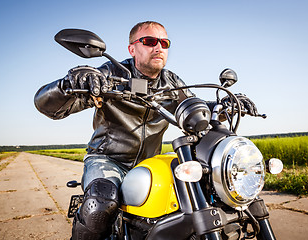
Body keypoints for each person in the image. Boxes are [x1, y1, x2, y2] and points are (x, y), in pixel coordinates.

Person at [34, 21, 193, 239]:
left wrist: (221, 107)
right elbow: (49, 107)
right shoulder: (110, 74)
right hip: (108, 159)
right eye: (149, 41)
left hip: (149, 164)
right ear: (132, 48)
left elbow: (194, 109)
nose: (158, 48)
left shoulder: (172, 83)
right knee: (100, 203)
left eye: (164, 43)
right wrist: (68, 84)